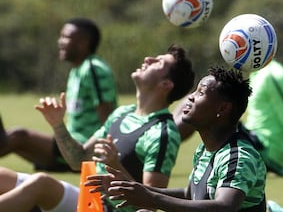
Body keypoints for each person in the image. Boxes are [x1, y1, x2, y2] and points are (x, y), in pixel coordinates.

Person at [0, 44, 195, 212]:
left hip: (107, 209)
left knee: (41, 183)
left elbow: (149, 204)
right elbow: (79, 159)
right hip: (90, 201)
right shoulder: (123, 113)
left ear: (166, 84)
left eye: (158, 63)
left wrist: (114, 165)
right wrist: (58, 125)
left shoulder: (162, 133)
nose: (148, 59)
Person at [87, 66, 267, 211]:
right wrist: (129, 186)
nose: (191, 97)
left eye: (201, 93)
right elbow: (190, 195)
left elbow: (225, 207)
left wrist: (152, 199)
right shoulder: (205, 150)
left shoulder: (238, 156)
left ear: (223, 108)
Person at [0, 18, 118, 172]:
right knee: (12, 141)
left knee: (18, 137)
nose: (60, 42)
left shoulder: (93, 68)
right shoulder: (77, 69)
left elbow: (108, 119)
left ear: (83, 42)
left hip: (83, 148)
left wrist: (101, 157)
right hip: (68, 144)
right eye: (61, 36)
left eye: (66, 37)